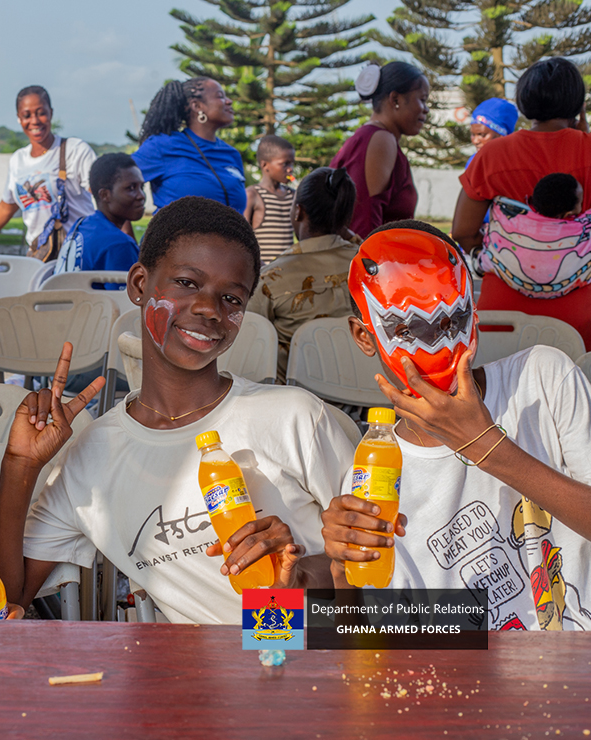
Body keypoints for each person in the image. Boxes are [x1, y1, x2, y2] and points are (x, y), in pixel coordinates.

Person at [0, 197, 355, 625]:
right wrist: (19, 468)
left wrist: (298, 583)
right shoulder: (91, 456)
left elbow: (386, 570)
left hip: (309, 652)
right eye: (186, 282)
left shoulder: (293, 418)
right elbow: (3, 600)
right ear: (140, 284)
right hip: (203, 677)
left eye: (231, 298)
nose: (209, 309)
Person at [320, 221, 591, 631]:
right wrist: (343, 575)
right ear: (364, 335)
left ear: (474, 316)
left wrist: (486, 446)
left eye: (452, 321)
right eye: (408, 330)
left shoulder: (542, 380)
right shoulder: (377, 473)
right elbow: (388, 628)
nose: (438, 348)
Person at [451, 57, 591, 348]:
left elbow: (463, 232)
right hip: (581, 316)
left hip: (503, 313)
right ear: (579, 104)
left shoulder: (492, 155)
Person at [247, 166, 358, 383]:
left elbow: (248, 342)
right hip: (367, 398)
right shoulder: (370, 265)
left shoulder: (270, 280)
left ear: (298, 211)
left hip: (297, 397)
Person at [0, 86, 97, 260]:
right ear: (19, 118)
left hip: (80, 254)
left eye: (41, 113)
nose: (34, 121)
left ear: (51, 113)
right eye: (26, 115)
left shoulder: (75, 150)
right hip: (39, 255)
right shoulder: (18, 160)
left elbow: (106, 198)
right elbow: (5, 209)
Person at [330, 62, 429, 238]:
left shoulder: (370, 137)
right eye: (422, 100)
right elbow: (364, 220)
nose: (426, 110)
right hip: (370, 261)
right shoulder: (380, 140)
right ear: (395, 99)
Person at [131, 78, 246, 213]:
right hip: (172, 234)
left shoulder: (231, 154)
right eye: (220, 96)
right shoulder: (163, 146)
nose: (229, 101)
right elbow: (117, 183)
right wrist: (124, 233)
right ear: (197, 106)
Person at [54, 152, 144, 282]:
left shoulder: (81, 225)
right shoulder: (119, 244)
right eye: (131, 188)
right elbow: (131, 300)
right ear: (105, 195)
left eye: (142, 187)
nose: (141, 196)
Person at [244, 135, 296, 263]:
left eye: (292, 163)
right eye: (285, 164)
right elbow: (243, 237)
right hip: (264, 274)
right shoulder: (252, 194)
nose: (291, 169)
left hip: (289, 270)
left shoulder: (293, 195)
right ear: (265, 165)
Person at [467, 97, 519, 168]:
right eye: (473, 134)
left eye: (482, 135)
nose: (475, 141)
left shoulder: (517, 165)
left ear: (502, 135)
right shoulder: (473, 163)